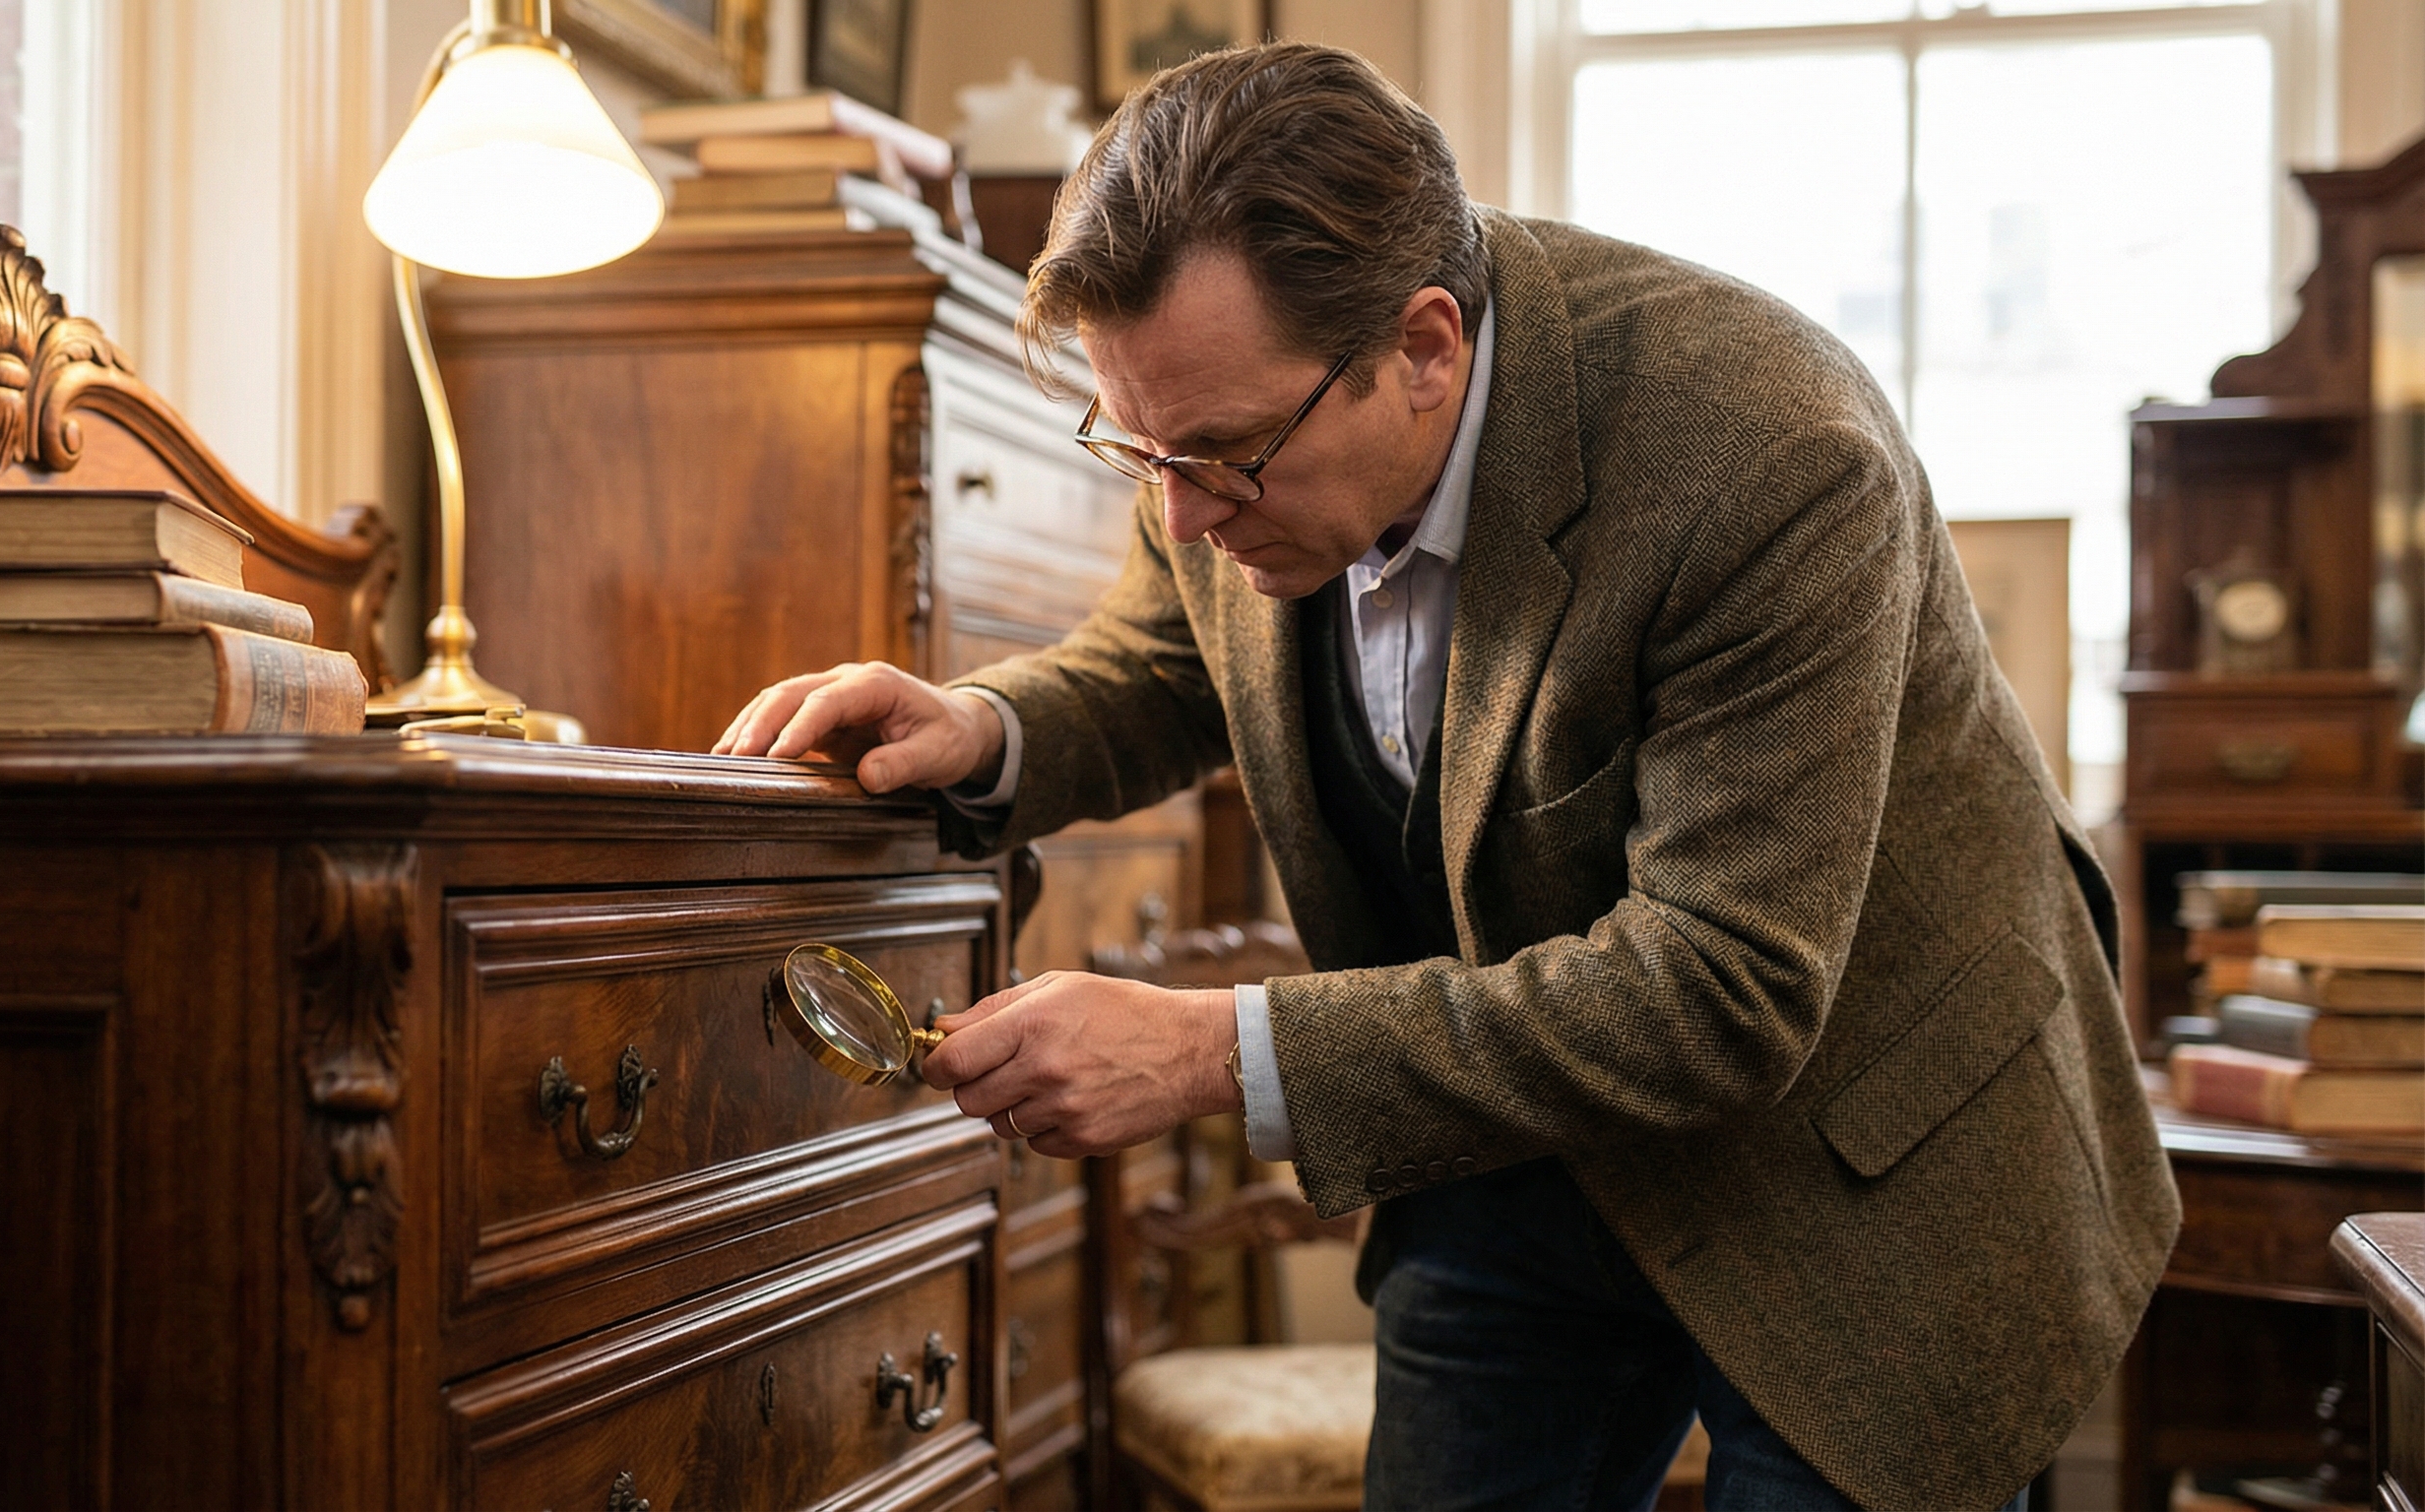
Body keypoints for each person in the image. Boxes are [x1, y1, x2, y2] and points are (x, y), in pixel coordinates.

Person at [716, 41, 2175, 1512]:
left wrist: (1212, 1051)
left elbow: (1722, 987)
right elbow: (1170, 657)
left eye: (1221, 459)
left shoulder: (1771, 451)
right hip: (1508, 1144)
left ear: (1425, 349)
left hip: (1861, 1156)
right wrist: (986, 729)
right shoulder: (1221, 420)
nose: (1182, 515)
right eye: (1140, 453)